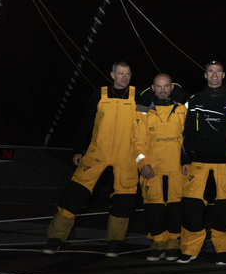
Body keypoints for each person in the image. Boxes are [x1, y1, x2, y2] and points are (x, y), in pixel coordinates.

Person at [43, 61, 139, 257]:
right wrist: (78, 149)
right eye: (120, 74)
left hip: (126, 155)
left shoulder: (139, 97)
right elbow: (85, 122)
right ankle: (56, 238)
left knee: (124, 199)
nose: (124, 77)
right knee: (74, 194)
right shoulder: (99, 95)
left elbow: (165, 100)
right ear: (112, 75)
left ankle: (115, 242)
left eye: (127, 74)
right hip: (98, 152)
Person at [177, 61, 226, 264]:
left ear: (224, 75)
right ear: (205, 75)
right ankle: (190, 249)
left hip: (225, 163)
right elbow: (186, 132)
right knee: (192, 206)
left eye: (218, 72)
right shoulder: (194, 99)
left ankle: (223, 250)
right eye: (210, 72)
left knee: (224, 208)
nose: (214, 75)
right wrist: (185, 159)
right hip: (198, 161)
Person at [131, 73, 188, 261]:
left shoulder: (182, 109)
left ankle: (173, 242)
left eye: (166, 86)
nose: (163, 90)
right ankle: (157, 242)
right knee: (153, 206)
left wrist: (187, 161)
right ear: (153, 88)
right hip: (152, 168)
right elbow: (137, 140)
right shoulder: (143, 111)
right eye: (159, 87)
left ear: (172, 87)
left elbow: (189, 138)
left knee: (176, 206)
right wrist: (143, 164)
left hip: (177, 167)